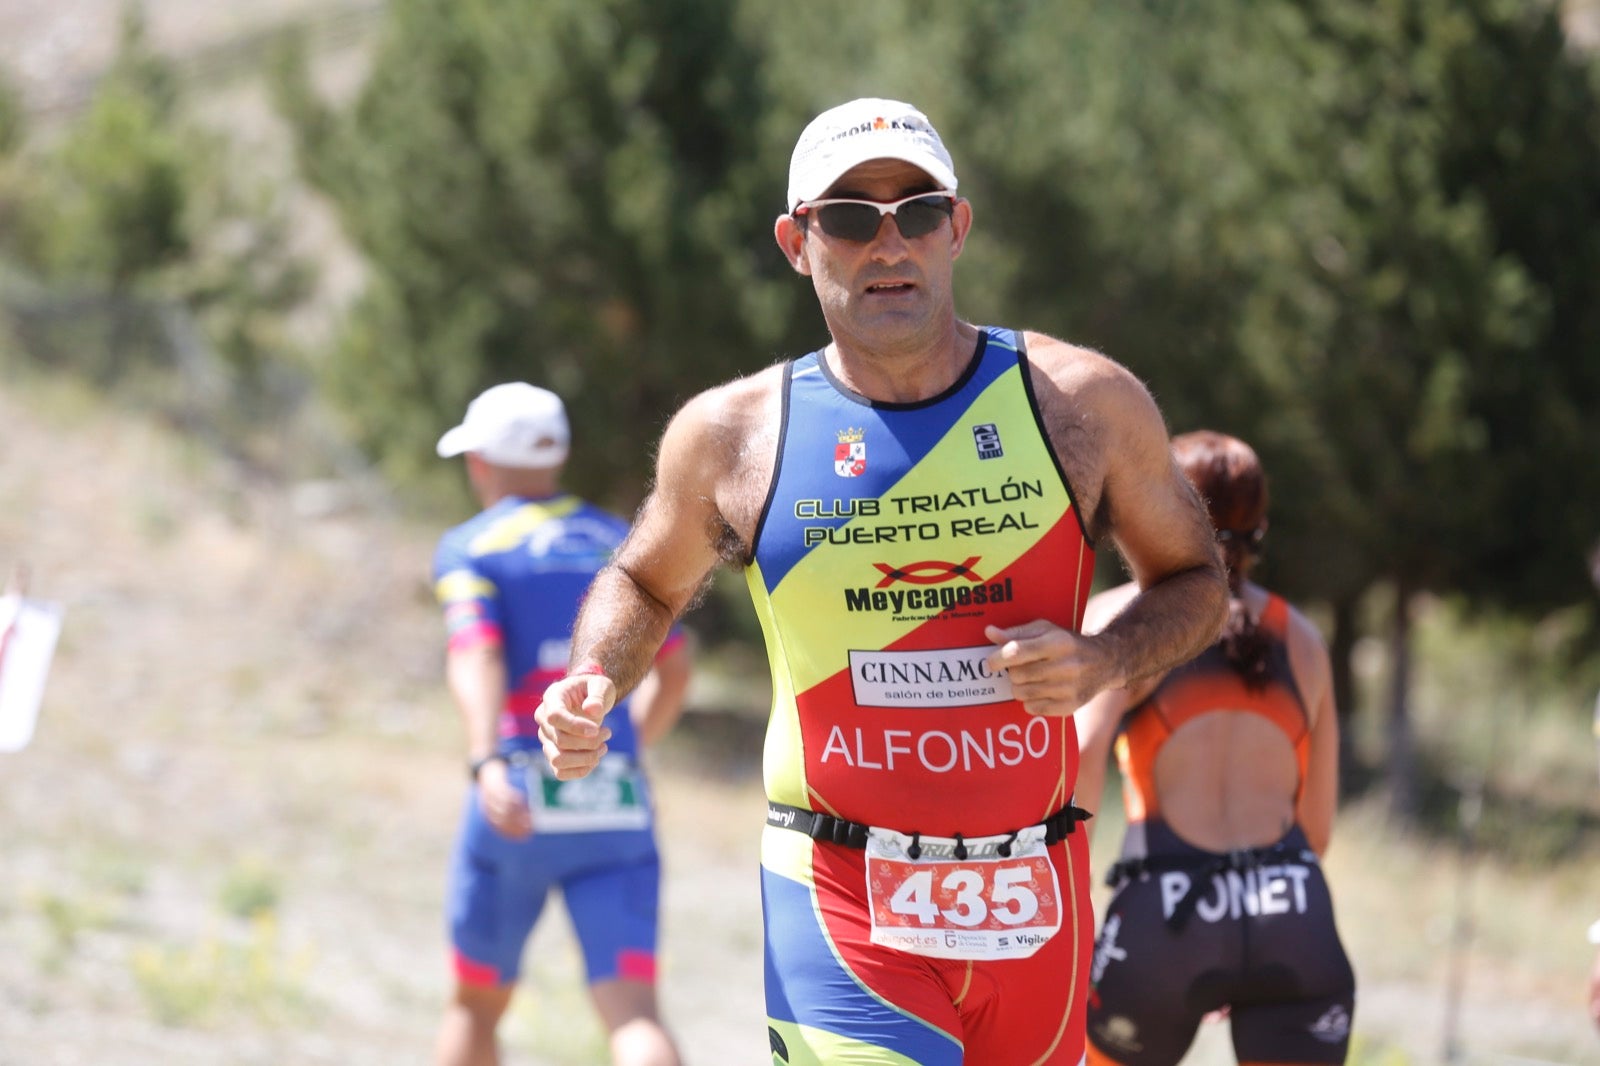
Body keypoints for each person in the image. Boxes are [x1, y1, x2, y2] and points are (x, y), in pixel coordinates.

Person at [535, 97, 1228, 1065]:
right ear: (796, 241)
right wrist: (593, 680)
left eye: (918, 211)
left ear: (958, 228)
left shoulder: (1081, 403)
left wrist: (1106, 658)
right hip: (839, 890)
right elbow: (644, 583)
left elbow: (1197, 582)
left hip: (1036, 891)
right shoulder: (734, 435)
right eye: (852, 217)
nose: (889, 242)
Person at [1074, 430, 1355, 1066]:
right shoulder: (1302, 639)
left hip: (1166, 913)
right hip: (1292, 911)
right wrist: (1244, 937)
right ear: (1260, 528)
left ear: (1163, 509)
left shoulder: (1123, 619)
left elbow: (1085, 753)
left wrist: (1071, 901)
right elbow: (1315, 827)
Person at [431, 382, 692, 1066]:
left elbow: (476, 650)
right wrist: (626, 747)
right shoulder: (620, 544)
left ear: (480, 462)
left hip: (514, 792)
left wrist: (485, 758)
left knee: (475, 1006)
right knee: (634, 1014)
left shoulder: (471, 546)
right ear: (559, 454)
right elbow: (676, 668)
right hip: (615, 796)